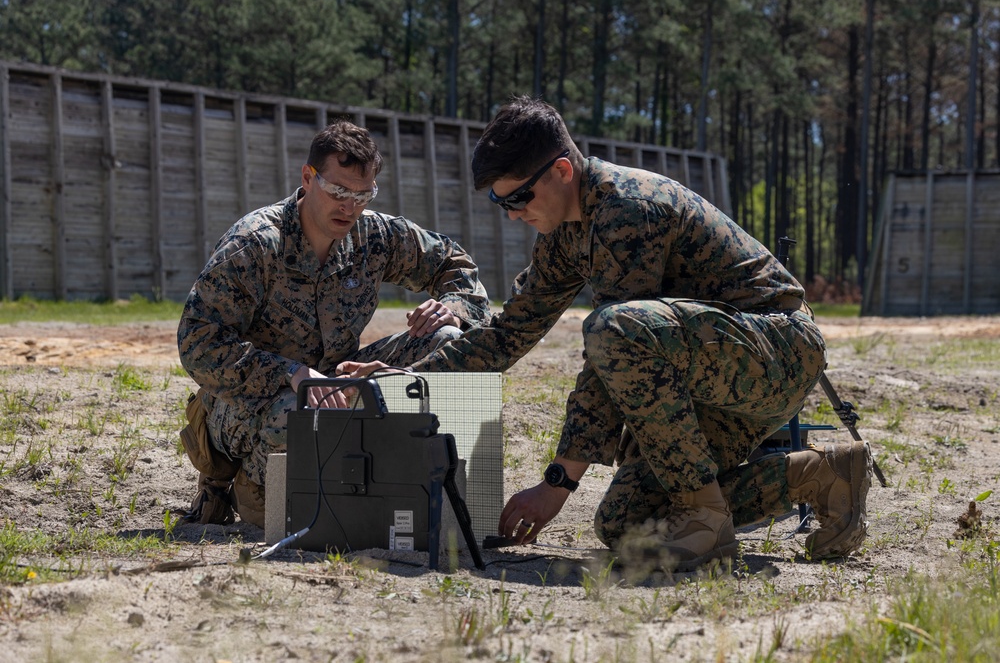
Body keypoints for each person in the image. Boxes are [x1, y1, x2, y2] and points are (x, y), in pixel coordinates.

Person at [341, 96, 872, 572]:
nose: (513, 215)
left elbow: (613, 352)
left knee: (613, 328)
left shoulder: (628, 209)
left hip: (776, 354)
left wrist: (556, 485)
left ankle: (706, 518)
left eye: (518, 198)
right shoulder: (565, 234)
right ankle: (822, 476)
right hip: (708, 378)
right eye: (500, 204)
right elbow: (506, 335)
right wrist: (404, 375)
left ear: (563, 171)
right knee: (627, 526)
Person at [177, 119, 492, 528]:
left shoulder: (373, 235)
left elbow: (455, 263)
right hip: (250, 399)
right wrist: (291, 374)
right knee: (300, 416)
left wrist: (454, 306)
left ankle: (426, 489)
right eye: (339, 191)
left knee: (446, 341)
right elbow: (198, 344)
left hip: (333, 385)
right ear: (308, 178)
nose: (350, 206)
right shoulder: (255, 245)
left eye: (363, 194)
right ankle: (246, 481)